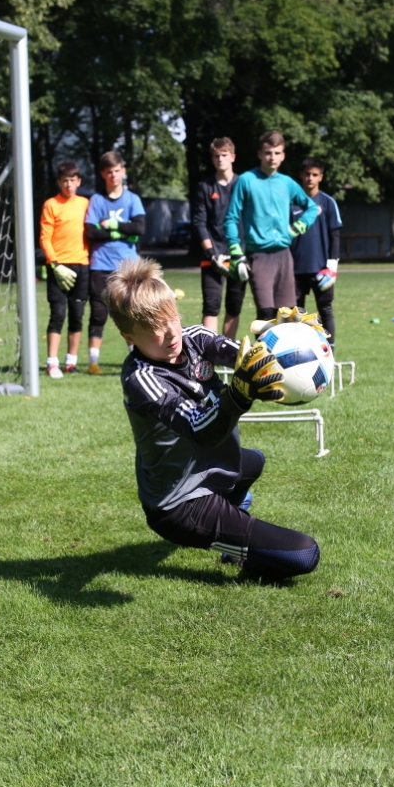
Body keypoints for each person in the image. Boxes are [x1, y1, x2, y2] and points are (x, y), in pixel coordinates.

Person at [104, 257, 321, 579]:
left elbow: (246, 358)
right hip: (178, 504)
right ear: (129, 336)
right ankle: (236, 549)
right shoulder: (142, 379)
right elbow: (200, 430)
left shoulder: (193, 337)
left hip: (204, 468)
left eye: (171, 319)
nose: (169, 334)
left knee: (252, 461)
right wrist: (237, 394)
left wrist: (280, 337)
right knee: (304, 555)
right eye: (152, 330)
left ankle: (235, 526)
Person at [223, 130, 318, 322]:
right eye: (268, 152)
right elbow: (231, 218)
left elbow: (312, 208)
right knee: (266, 314)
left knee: (288, 315)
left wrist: (295, 228)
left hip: (284, 254)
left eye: (276, 153)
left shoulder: (287, 183)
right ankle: (264, 353)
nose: (272, 157)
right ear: (260, 154)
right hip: (258, 255)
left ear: (283, 155)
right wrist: (236, 252)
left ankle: (285, 354)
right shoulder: (246, 180)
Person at [84, 150, 146, 375]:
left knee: (131, 313)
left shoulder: (132, 199)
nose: (113, 175)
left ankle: (136, 359)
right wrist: (123, 231)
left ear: (123, 171)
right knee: (99, 313)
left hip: (127, 266)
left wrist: (109, 226)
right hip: (100, 264)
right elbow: (91, 232)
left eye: (117, 171)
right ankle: (93, 362)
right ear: (103, 174)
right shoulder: (97, 200)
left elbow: (139, 228)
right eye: (109, 172)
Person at [38, 160, 90, 379]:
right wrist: (54, 264)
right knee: (58, 314)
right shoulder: (51, 204)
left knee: (77, 315)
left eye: (73, 180)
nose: (69, 185)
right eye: (65, 181)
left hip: (82, 265)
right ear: (59, 182)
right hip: (58, 267)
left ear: (79, 181)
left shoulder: (86, 203)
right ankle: (52, 363)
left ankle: (71, 362)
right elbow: (44, 237)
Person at [192, 137, 246, 339]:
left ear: (232, 157)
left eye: (224, 155)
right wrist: (212, 253)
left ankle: (227, 351)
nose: (220, 159)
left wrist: (242, 252)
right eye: (216, 156)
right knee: (211, 306)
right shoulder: (205, 187)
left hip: (238, 255)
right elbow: (199, 223)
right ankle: (209, 355)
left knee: (234, 306)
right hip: (212, 256)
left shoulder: (243, 184)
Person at [290, 157, 342, 348]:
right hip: (295, 270)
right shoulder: (291, 203)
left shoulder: (328, 203)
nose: (310, 178)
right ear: (301, 176)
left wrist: (332, 266)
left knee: (325, 310)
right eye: (307, 174)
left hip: (322, 270)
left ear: (321, 177)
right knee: (295, 314)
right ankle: (296, 354)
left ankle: (330, 353)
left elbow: (335, 235)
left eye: (314, 175)